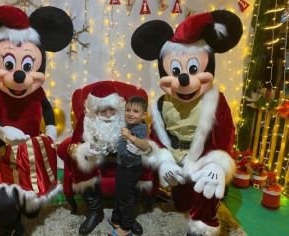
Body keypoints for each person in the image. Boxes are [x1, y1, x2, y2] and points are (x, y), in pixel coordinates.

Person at [0, 1, 73, 235]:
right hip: (3, 154)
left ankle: (28, 209)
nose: (18, 74)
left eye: (27, 65)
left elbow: (46, 108)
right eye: (8, 63)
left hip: (33, 149)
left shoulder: (37, 91)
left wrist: (50, 129)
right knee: (2, 200)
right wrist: (3, 134)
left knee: (33, 200)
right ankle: (10, 223)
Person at [131, 10, 243, 235]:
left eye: (193, 69)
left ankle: (203, 225)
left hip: (202, 158)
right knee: (182, 203)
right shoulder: (162, 103)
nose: (183, 79)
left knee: (207, 187)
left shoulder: (215, 100)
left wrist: (215, 164)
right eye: (175, 70)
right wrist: (164, 162)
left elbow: (225, 136)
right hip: (176, 160)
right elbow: (155, 137)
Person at [61, 82, 152, 235]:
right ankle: (96, 212)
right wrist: (83, 150)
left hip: (123, 158)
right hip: (97, 159)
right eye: (103, 110)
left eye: (112, 109)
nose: (109, 114)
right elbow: (73, 145)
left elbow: (143, 139)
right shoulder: (87, 118)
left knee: (141, 162)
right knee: (79, 162)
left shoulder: (127, 114)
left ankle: (127, 214)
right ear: (95, 110)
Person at [109, 96, 149, 236]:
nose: (130, 113)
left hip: (131, 168)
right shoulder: (127, 125)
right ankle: (116, 218)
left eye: (136, 111)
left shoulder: (140, 128)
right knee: (120, 193)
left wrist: (130, 137)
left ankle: (126, 228)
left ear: (144, 115)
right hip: (122, 165)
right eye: (128, 110)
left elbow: (145, 145)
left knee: (126, 198)